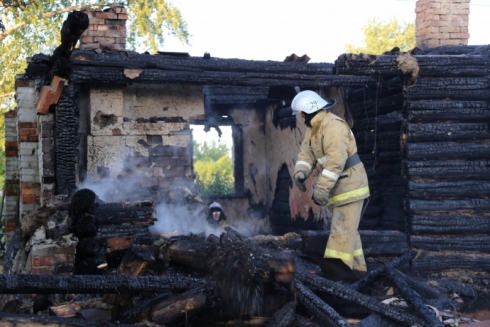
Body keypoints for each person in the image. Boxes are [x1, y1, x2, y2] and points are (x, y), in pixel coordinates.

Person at [292, 90, 370, 272]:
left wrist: (321, 189)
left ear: (307, 110)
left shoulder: (333, 126)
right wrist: (301, 172)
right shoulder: (313, 130)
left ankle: (337, 276)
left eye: (300, 113)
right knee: (349, 232)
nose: (300, 117)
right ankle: (358, 272)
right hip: (341, 187)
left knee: (341, 232)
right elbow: (306, 154)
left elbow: (336, 162)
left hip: (350, 186)